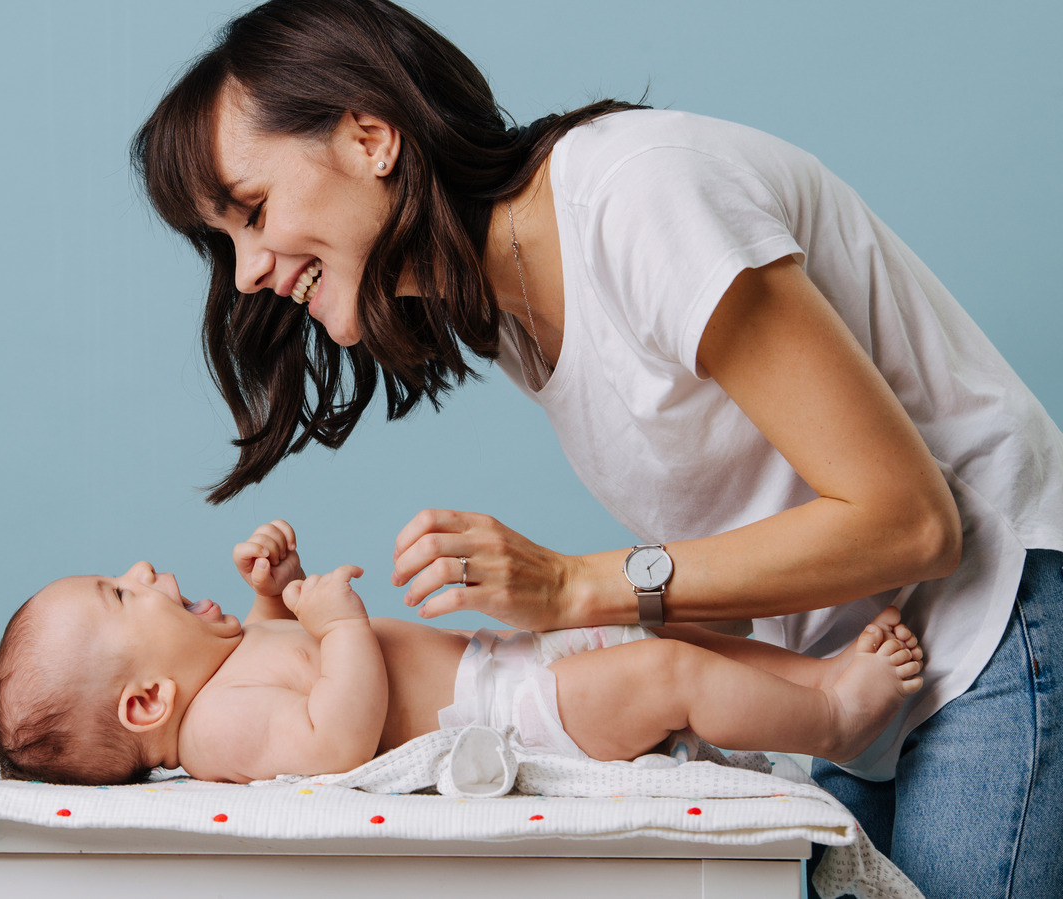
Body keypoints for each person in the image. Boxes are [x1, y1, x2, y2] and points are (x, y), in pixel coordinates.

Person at [128, 0, 1063, 895]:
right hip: (856, 670)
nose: (248, 271)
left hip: (986, 626)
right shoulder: (510, 312)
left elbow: (911, 522)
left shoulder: (638, 199)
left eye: (251, 211)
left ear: (370, 138)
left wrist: (576, 588)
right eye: (226, 240)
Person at [0, 521, 923, 786]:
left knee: (669, 631)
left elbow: (276, 648)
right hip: (511, 721)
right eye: (119, 591)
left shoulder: (222, 670)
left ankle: (821, 682)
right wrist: (339, 624)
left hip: (506, 664)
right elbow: (330, 741)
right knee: (666, 676)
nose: (143, 567)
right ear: (147, 705)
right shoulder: (217, 729)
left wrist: (280, 588)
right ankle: (837, 720)